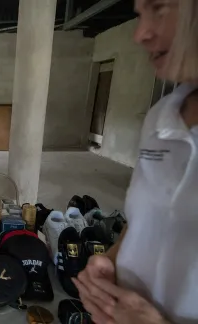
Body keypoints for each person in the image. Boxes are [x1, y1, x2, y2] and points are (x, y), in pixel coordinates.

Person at [73, 1, 198, 323]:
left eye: (159, 8)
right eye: (140, 14)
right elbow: (150, 218)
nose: (140, 34)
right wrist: (113, 260)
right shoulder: (162, 115)